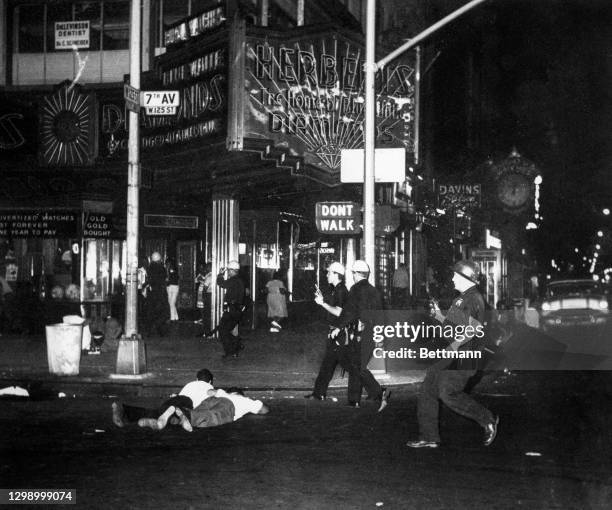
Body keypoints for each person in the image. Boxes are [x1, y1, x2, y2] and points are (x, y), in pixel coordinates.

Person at [406, 260, 499, 449]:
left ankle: (487, 419)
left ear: (465, 277)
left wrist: (454, 346)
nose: (453, 278)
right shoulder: (463, 298)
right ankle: (429, 437)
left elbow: (472, 329)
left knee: (447, 392)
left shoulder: (473, 299)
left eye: (455, 275)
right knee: (428, 388)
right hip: (452, 356)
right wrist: (439, 316)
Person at [330, 260, 389, 411]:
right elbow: (380, 316)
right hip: (372, 333)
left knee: (356, 365)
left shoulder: (355, 289)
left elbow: (350, 312)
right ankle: (357, 399)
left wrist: (339, 327)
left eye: (353, 273)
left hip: (360, 333)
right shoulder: (375, 291)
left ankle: (377, 392)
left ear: (356, 274)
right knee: (358, 365)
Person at [304, 261, 356, 402]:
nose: (327, 275)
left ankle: (376, 390)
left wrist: (322, 303)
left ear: (336, 274)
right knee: (328, 364)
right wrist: (323, 300)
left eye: (329, 272)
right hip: (335, 332)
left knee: (349, 365)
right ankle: (318, 393)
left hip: (339, 333)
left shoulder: (340, 290)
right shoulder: (336, 289)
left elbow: (339, 312)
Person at [112, 368, 214, 432]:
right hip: (186, 404)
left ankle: (124, 409)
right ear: (210, 381)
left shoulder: (190, 384)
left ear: (196, 379)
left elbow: (179, 396)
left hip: (177, 401)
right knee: (169, 416)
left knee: (157, 412)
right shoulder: (210, 388)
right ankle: (159, 422)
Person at [211, 260, 245, 358]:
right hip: (237, 309)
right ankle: (236, 346)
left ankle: (232, 349)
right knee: (229, 330)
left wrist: (220, 274)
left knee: (223, 330)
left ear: (233, 270)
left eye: (229, 270)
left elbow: (221, 283)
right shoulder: (240, 280)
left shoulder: (233, 280)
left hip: (232, 309)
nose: (228, 272)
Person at [189, 388, 269, 428]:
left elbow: (210, 392)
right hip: (228, 405)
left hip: (212, 400)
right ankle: (188, 417)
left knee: (198, 412)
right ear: (238, 393)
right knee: (213, 416)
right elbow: (264, 410)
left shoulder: (222, 392)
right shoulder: (244, 400)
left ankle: (183, 416)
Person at [144, 252, 168, 336]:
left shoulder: (149, 268)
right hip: (160, 294)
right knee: (162, 313)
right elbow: (164, 280)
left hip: (152, 293)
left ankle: (150, 331)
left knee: (151, 312)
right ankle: (160, 330)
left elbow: (149, 280)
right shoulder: (162, 268)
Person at [195, 262, 212, 328]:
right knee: (200, 305)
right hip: (200, 290)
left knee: (204, 306)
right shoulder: (201, 274)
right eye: (200, 268)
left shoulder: (208, 274)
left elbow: (206, 283)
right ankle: (202, 318)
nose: (201, 268)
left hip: (205, 291)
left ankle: (204, 319)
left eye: (202, 267)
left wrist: (202, 280)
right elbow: (196, 281)